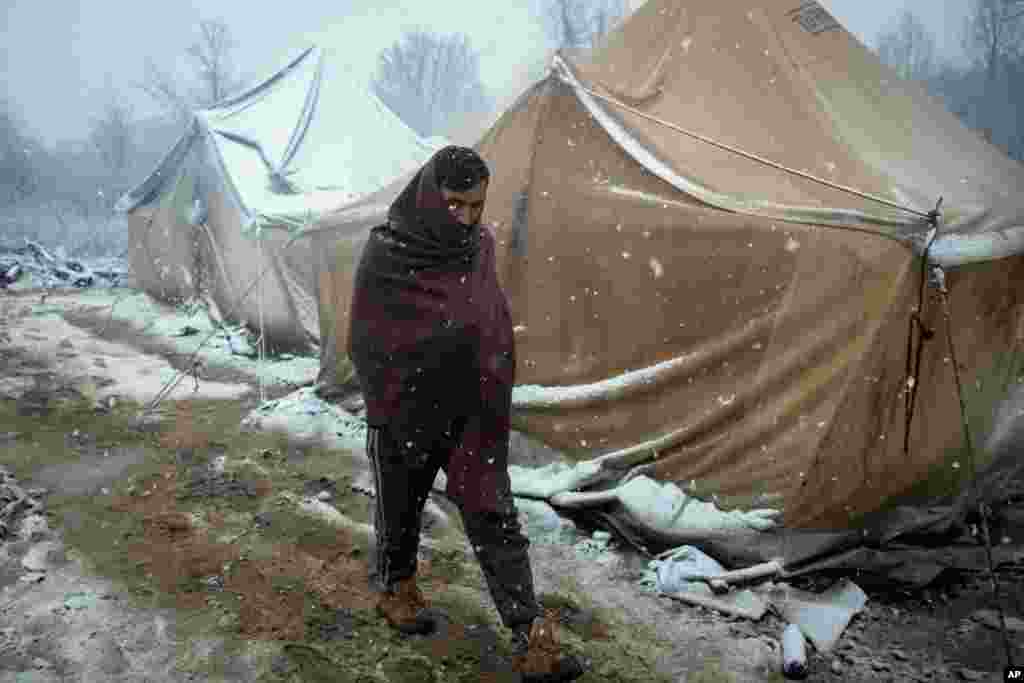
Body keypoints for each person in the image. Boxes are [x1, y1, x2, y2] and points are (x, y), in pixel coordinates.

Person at [347, 146, 584, 682]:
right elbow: (364, 338)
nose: (468, 218)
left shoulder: (479, 247)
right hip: (403, 409)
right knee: (399, 510)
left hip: (470, 411)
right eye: (456, 205)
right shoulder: (388, 252)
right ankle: (396, 588)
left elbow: (486, 316)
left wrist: (488, 371)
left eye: (477, 205)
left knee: (494, 513)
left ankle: (530, 637)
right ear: (431, 196)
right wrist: (391, 403)